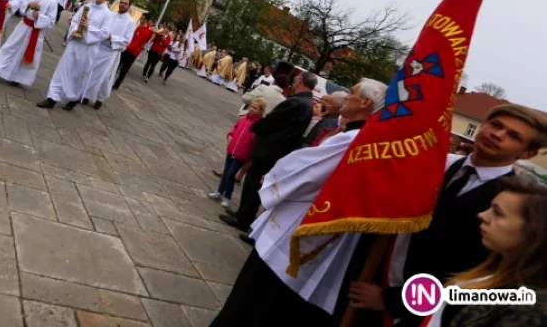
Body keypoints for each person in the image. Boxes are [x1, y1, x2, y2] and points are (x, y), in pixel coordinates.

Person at [347, 103, 547, 327]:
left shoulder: (513, 202)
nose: (497, 134)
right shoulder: (439, 165)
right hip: (368, 281)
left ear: (527, 153)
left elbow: (481, 273)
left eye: (513, 136)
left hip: (418, 314)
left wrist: (393, 301)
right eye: (496, 125)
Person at [209, 79, 388, 327]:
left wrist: (274, 177)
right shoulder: (371, 141)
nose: (346, 96)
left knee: (251, 304)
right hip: (318, 235)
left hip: (297, 233)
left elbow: (305, 170)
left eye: (353, 93)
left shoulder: (355, 140)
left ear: (366, 103)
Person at [416, 176, 547, 327]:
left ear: (533, 231)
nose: (482, 215)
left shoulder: (529, 309)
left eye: (497, 213)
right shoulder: (493, 267)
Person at [220, 71, 318, 235]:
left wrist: (257, 128)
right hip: (276, 150)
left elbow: (272, 121)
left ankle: (242, 219)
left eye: (295, 80)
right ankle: (242, 213)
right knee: (253, 183)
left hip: (270, 150)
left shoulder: (297, 102)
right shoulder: (306, 103)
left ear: (301, 81)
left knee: (253, 184)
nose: (293, 83)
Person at [37, 0, 113, 111]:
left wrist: (89, 27)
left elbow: (105, 33)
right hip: (74, 44)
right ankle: (52, 98)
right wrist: (73, 30)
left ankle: (73, 99)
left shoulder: (107, 14)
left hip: (87, 48)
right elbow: (75, 21)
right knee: (62, 70)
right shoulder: (87, 6)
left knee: (77, 75)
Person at [0, 0, 58, 88]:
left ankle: (17, 78)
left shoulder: (52, 2)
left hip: (35, 31)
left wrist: (39, 16)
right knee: (9, 47)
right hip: (23, 26)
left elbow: (51, 21)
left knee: (24, 54)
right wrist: (29, 4)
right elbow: (22, 4)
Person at [208, 97, 267, 208]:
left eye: (255, 108)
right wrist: (230, 135)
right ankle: (219, 192)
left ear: (261, 110)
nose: (251, 109)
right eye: (251, 106)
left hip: (242, 154)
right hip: (232, 150)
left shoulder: (259, 124)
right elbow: (235, 129)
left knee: (231, 174)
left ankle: (227, 196)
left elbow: (257, 141)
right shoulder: (243, 119)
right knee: (226, 172)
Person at [83, 0, 135, 109]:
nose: (122, 5)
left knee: (105, 77)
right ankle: (86, 95)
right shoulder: (110, 15)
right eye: (121, 2)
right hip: (101, 47)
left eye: (125, 3)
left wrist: (112, 37)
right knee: (92, 72)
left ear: (129, 6)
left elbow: (127, 40)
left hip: (112, 52)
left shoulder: (131, 22)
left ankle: (100, 98)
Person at [112, 15, 153, 90]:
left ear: (147, 20)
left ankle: (116, 85)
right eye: (141, 17)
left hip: (132, 53)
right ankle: (110, 81)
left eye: (142, 18)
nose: (140, 19)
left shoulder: (146, 32)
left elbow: (137, 43)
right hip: (127, 49)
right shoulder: (139, 26)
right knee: (117, 66)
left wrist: (125, 47)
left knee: (124, 70)